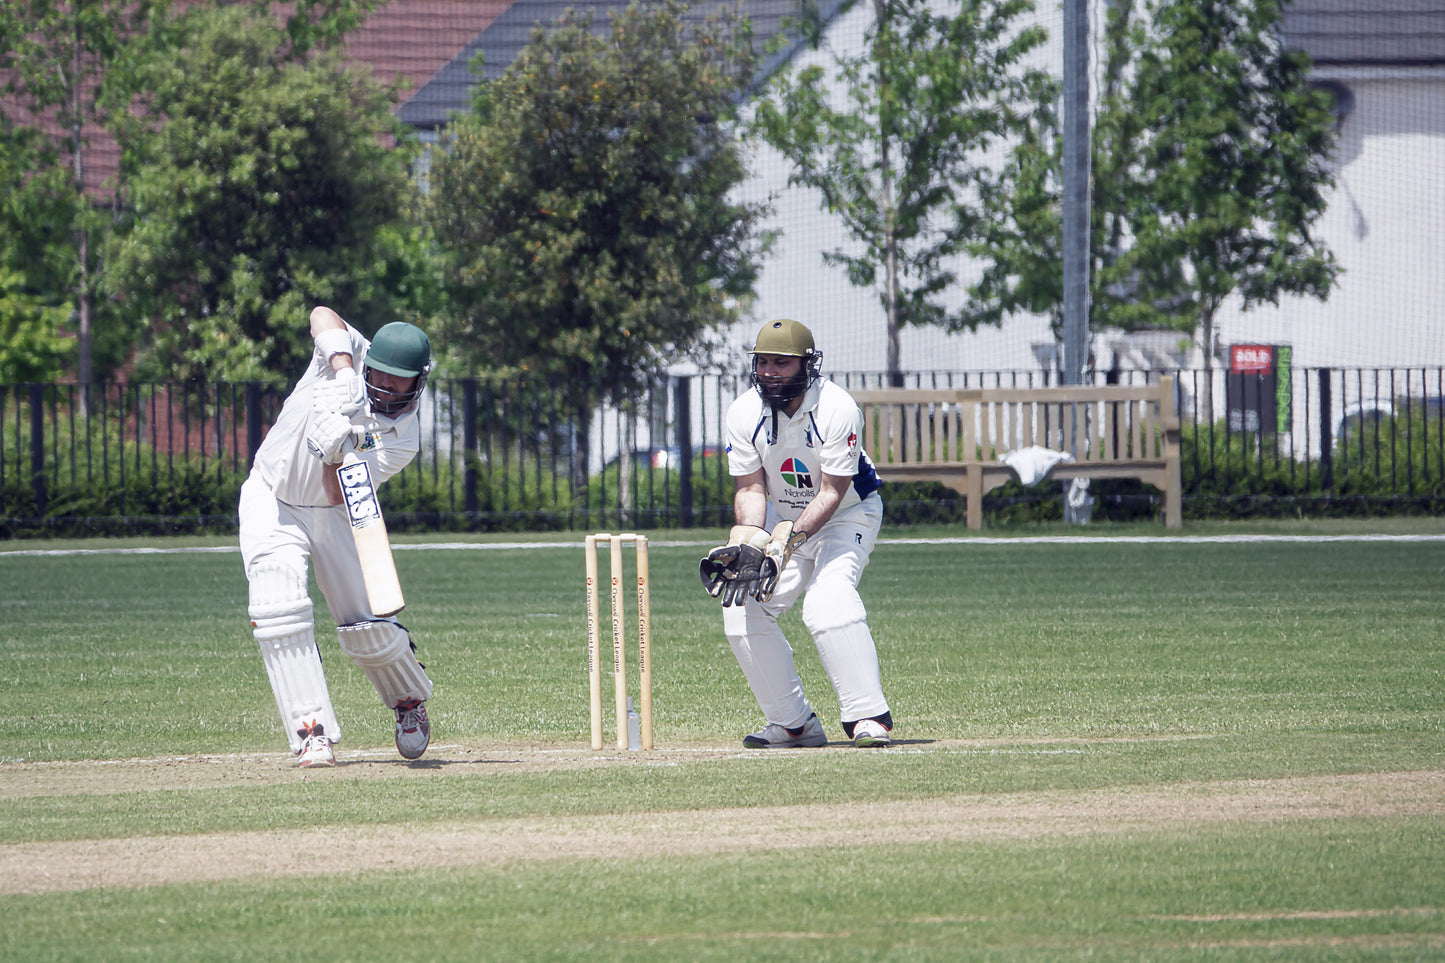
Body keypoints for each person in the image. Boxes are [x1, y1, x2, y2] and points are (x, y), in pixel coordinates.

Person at [239, 306, 434, 767]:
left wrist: (331, 453)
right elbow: (321, 313)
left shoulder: (402, 439)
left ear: (418, 382)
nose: (386, 386)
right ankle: (312, 733)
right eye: (380, 375)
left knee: (364, 625)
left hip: (336, 509)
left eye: (399, 381)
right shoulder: (347, 355)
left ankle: (408, 699)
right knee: (277, 604)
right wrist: (344, 371)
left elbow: (337, 496)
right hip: (272, 497)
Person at [700, 318, 894, 748]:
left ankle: (868, 717)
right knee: (742, 607)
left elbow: (831, 491)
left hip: (847, 515)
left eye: (782, 363)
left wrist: (786, 542)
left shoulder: (837, 408)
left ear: (808, 365)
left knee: (826, 602)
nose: (770, 371)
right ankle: (792, 724)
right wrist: (749, 542)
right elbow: (751, 488)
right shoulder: (743, 411)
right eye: (763, 362)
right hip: (785, 523)